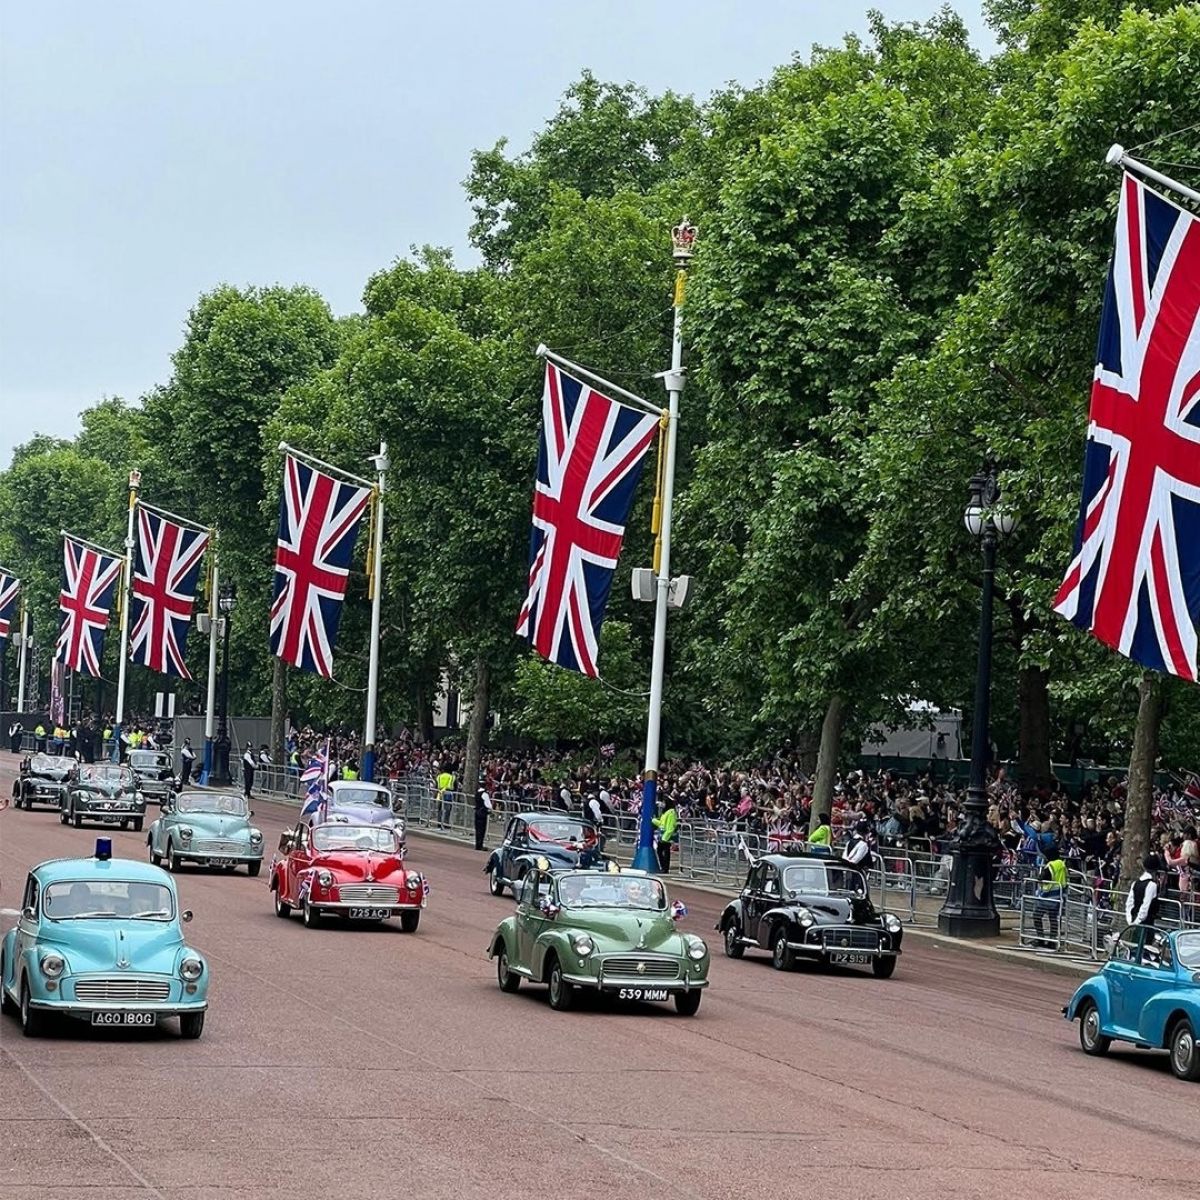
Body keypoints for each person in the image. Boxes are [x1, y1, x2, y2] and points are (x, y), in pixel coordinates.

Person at [1032, 842, 1068, 949]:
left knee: (1037, 916)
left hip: (1047, 897)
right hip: (1059, 897)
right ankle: (1052, 941)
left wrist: (1039, 877)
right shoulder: (1062, 864)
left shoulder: (1051, 865)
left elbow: (1043, 877)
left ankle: (1041, 939)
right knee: (1053, 919)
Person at [1126, 854, 1161, 926]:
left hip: (1134, 920)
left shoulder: (1135, 883)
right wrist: (1137, 921)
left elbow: (1129, 903)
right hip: (1145, 923)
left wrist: (1130, 920)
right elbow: (1145, 906)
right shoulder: (1152, 885)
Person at [652, 797, 678, 873]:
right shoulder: (666, 812)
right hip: (662, 835)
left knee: (665, 852)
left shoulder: (671, 813)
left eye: (664, 802)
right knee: (661, 851)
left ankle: (665, 868)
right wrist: (654, 820)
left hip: (666, 836)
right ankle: (663, 867)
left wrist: (665, 838)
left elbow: (670, 827)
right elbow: (662, 823)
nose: (662, 804)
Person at [474, 786, 491, 851]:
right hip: (482, 813)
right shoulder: (485, 794)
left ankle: (477, 845)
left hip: (477, 812)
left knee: (477, 829)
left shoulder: (477, 793)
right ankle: (480, 845)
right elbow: (489, 805)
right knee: (482, 830)